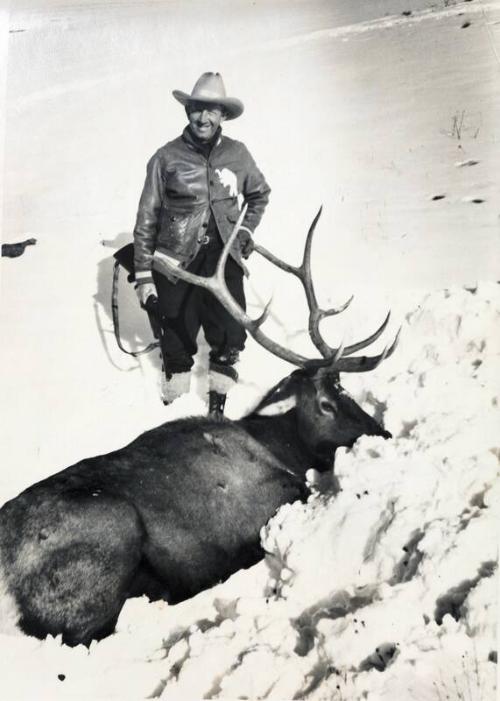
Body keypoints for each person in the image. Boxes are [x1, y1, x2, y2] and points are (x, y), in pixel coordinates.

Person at [133, 72, 270, 416]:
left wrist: (246, 231)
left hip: (224, 257)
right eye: (197, 109)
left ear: (223, 116)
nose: (203, 118)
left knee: (228, 332)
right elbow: (146, 219)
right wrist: (145, 275)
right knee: (177, 333)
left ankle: (217, 407)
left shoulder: (238, 155)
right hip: (175, 263)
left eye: (212, 111)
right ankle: (172, 408)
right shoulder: (165, 158)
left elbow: (259, 195)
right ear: (188, 111)